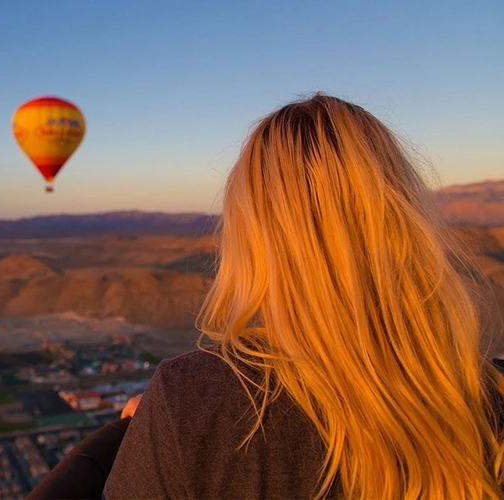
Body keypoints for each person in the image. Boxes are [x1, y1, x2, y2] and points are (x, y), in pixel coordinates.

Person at [101, 93, 504, 499]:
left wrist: (160, 432)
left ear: (251, 232)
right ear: (404, 212)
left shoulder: (194, 404)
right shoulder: (487, 400)